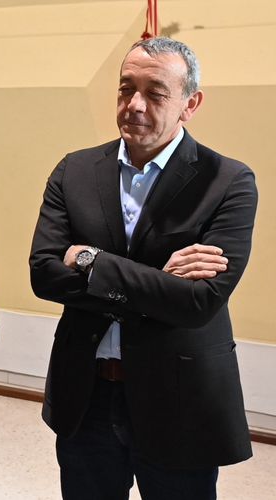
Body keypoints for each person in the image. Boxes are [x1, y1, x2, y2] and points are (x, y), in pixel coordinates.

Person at [29, 37, 256, 499]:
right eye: (125, 88)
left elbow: (198, 301)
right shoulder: (74, 171)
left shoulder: (229, 182)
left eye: (155, 93)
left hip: (180, 399)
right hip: (87, 397)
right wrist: (157, 284)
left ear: (190, 104)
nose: (134, 105)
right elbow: (44, 272)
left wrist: (90, 260)